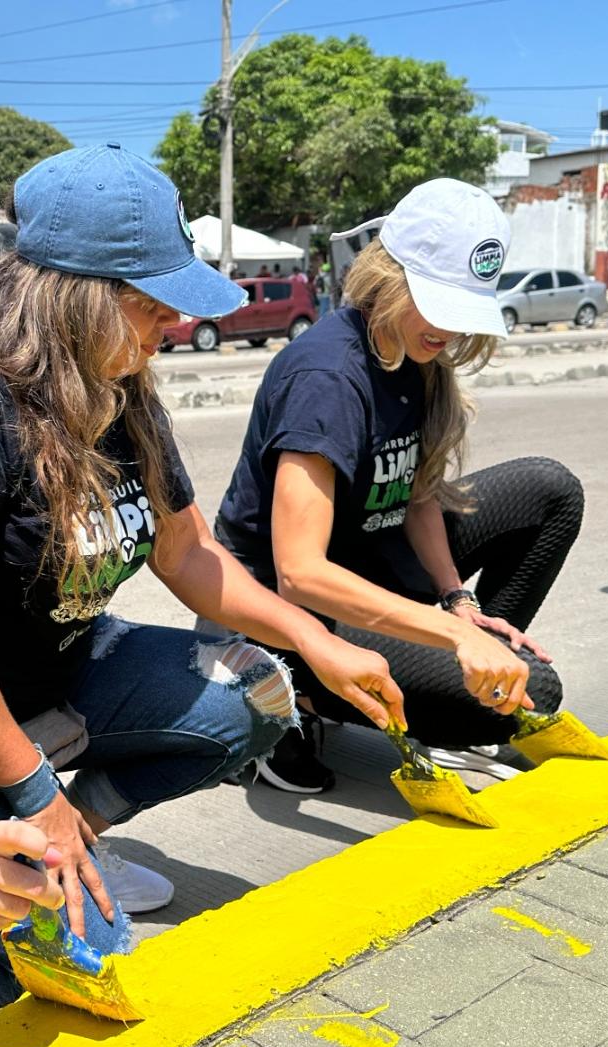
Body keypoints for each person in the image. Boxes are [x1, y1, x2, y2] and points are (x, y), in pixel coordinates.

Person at [0, 144, 404, 1003]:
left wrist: (314, 641)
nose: (173, 326)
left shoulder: (122, 384)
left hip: (49, 679)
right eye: (156, 303)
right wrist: (32, 791)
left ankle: (70, 832)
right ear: (78, 299)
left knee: (264, 691)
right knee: (95, 966)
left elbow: (188, 553)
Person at [211, 178, 583, 794]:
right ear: (390, 276)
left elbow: (414, 492)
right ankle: (288, 698)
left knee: (550, 491)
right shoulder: (328, 377)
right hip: (293, 609)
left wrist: (459, 605)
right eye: (439, 304)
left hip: (372, 566)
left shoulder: (416, 353)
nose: (452, 332)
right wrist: (452, 636)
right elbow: (298, 573)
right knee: (539, 690)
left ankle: (475, 682)